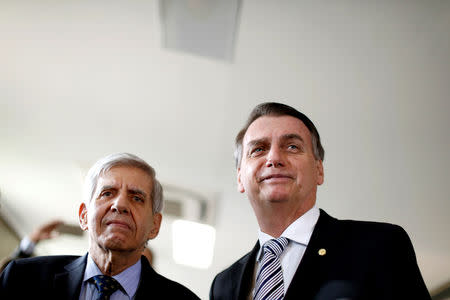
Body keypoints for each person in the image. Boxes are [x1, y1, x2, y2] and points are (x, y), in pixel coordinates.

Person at [210, 102, 431, 300]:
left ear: (319, 170)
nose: (274, 158)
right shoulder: (223, 285)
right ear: (240, 177)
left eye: (292, 147)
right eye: (258, 149)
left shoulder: (382, 245)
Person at [0, 153, 199, 299]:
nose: (120, 204)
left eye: (137, 198)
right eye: (107, 193)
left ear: (155, 225)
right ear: (84, 216)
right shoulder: (22, 279)